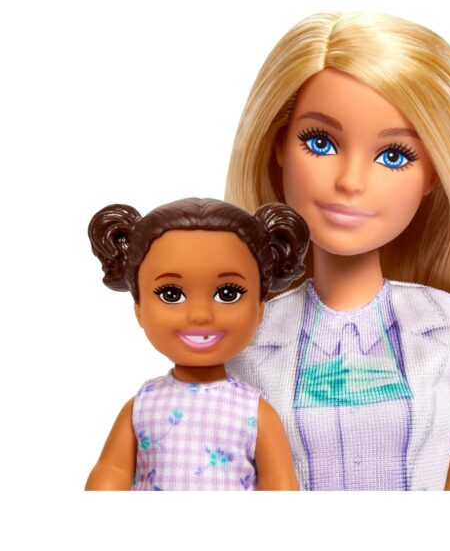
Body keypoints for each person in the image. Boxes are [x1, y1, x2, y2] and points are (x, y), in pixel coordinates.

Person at [225, 12, 450, 491]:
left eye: (394, 156)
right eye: (320, 142)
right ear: (278, 148)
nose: (351, 181)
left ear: (434, 174)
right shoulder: (244, 341)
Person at [85, 198, 309, 490]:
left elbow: (279, 480)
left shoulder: (254, 411)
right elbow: (112, 469)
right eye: (171, 294)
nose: (200, 315)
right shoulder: (142, 405)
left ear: (259, 309)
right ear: (139, 309)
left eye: (228, 293)